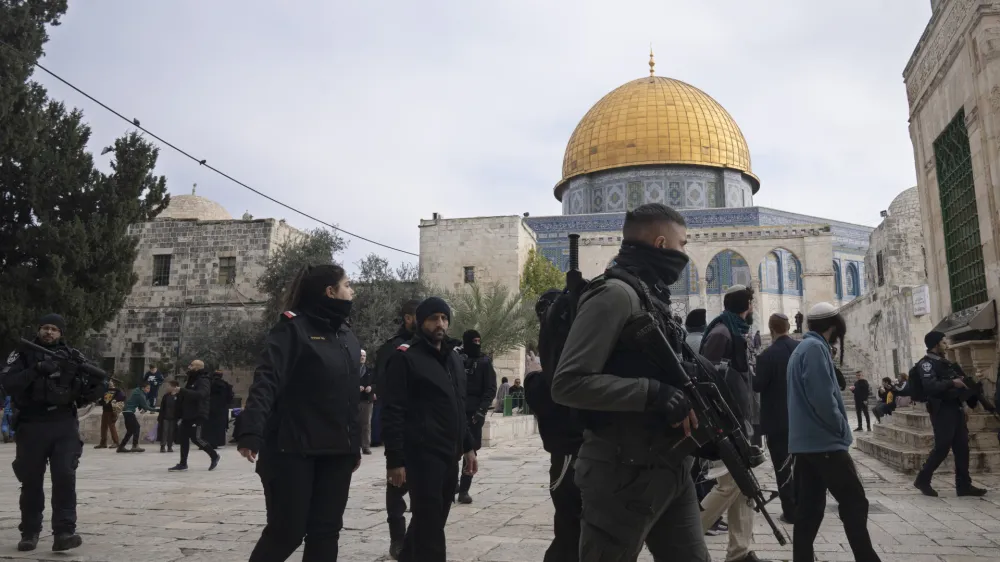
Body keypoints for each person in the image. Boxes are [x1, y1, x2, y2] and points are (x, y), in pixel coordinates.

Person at [551, 203, 709, 562]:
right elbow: (568, 383)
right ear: (661, 243)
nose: (685, 252)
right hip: (621, 474)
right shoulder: (614, 295)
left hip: (669, 465)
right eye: (682, 244)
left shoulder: (649, 298)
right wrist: (651, 393)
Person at [236, 264, 363, 562]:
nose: (352, 290)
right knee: (287, 531)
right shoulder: (292, 328)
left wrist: (353, 445)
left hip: (336, 452)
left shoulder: (346, 335)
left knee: (326, 532)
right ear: (330, 291)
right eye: (347, 284)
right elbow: (267, 379)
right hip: (293, 448)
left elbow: (348, 396)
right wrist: (251, 429)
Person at [382, 297, 478, 562]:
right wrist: (395, 460)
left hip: (450, 455)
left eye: (444, 318)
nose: (440, 324)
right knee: (430, 527)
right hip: (422, 456)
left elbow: (459, 406)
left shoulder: (454, 360)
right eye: (433, 318)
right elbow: (394, 411)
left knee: (432, 521)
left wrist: (468, 446)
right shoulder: (406, 358)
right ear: (421, 322)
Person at [0, 314, 103, 552]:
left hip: (63, 423)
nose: (49, 332)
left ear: (61, 333)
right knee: (31, 480)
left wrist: (97, 388)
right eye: (45, 328)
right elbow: (9, 383)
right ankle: (30, 531)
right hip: (32, 424)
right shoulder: (22, 354)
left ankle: (64, 532)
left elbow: (87, 388)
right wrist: (36, 370)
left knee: (65, 476)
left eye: (54, 329)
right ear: (38, 330)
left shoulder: (73, 357)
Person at [787, 302, 880, 562]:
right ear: (834, 325)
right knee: (854, 502)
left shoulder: (802, 348)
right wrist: (841, 428)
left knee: (810, 510)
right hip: (824, 443)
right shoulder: (815, 348)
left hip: (806, 444)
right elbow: (822, 399)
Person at [699, 285, 766, 562]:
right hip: (725, 422)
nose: (753, 308)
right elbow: (705, 375)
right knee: (728, 484)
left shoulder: (737, 331)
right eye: (751, 303)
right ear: (745, 305)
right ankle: (686, 533)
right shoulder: (721, 332)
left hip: (742, 420)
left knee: (743, 485)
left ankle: (739, 552)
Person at [913, 331, 988, 498]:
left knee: (962, 448)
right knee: (942, 447)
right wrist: (952, 382)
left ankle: (964, 486)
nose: (946, 344)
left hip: (955, 408)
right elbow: (930, 385)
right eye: (943, 341)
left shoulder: (945, 363)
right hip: (941, 410)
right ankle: (923, 479)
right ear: (935, 344)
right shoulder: (926, 364)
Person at [373, 298, 420, 559]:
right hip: (402, 430)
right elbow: (387, 395)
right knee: (397, 486)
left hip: (429, 432)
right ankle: (398, 539)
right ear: (408, 318)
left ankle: (414, 538)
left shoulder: (434, 348)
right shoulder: (392, 349)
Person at [752, 313, 798, 524]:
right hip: (803, 421)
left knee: (782, 467)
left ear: (771, 329)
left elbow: (758, 385)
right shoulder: (802, 350)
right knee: (803, 466)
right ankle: (806, 506)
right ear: (789, 327)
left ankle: (790, 510)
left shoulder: (767, 355)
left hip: (778, 422)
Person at [456, 329, 497, 504]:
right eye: (473, 341)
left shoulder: (484, 362)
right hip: (456, 411)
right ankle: (452, 484)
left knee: (471, 451)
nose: (476, 345)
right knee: (453, 451)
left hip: (474, 413)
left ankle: (464, 489)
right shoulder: (456, 359)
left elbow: (490, 388)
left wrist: (481, 410)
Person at [169, 360, 220, 472]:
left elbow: (201, 394)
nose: (189, 367)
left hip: (198, 414)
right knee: (183, 437)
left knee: (196, 438)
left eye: (191, 365)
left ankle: (214, 455)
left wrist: (182, 390)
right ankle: (183, 463)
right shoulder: (192, 379)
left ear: (197, 367)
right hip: (188, 414)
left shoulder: (203, 380)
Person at [118, 382, 154, 453]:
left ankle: (121, 447)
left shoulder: (137, 391)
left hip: (126, 412)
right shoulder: (140, 394)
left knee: (130, 431)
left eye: (149, 388)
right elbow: (145, 406)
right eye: (147, 388)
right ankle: (135, 446)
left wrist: (141, 408)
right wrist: (158, 410)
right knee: (137, 427)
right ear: (143, 388)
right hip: (129, 412)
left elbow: (137, 402)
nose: (149, 390)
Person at [205, 370, 234, 448]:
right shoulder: (226, 385)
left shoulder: (209, 384)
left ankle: (207, 442)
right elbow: (230, 397)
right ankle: (217, 442)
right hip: (221, 409)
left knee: (208, 426)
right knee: (219, 426)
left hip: (210, 408)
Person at [95, 380, 125, 449]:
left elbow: (121, 398)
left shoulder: (115, 391)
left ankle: (116, 442)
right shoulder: (107, 391)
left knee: (111, 426)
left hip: (112, 411)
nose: (109, 384)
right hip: (106, 410)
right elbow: (103, 401)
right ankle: (103, 443)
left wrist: (114, 401)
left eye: (110, 383)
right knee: (104, 427)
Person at [358, 349, 374, 455]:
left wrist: (371, 387)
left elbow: (376, 383)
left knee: (366, 424)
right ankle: (354, 446)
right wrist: (356, 387)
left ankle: (366, 446)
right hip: (355, 400)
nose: (363, 357)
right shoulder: (353, 370)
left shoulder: (370, 371)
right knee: (354, 424)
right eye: (361, 355)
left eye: (364, 356)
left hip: (367, 401)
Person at [158, 381, 180, 453]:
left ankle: (170, 446)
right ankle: (163, 446)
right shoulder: (166, 396)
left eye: (169, 386)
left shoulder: (179, 396)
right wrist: (160, 417)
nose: (167, 387)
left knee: (171, 432)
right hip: (165, 417)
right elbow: (162, 408)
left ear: (174, 387)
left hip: (174, 418)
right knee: (164, 431)